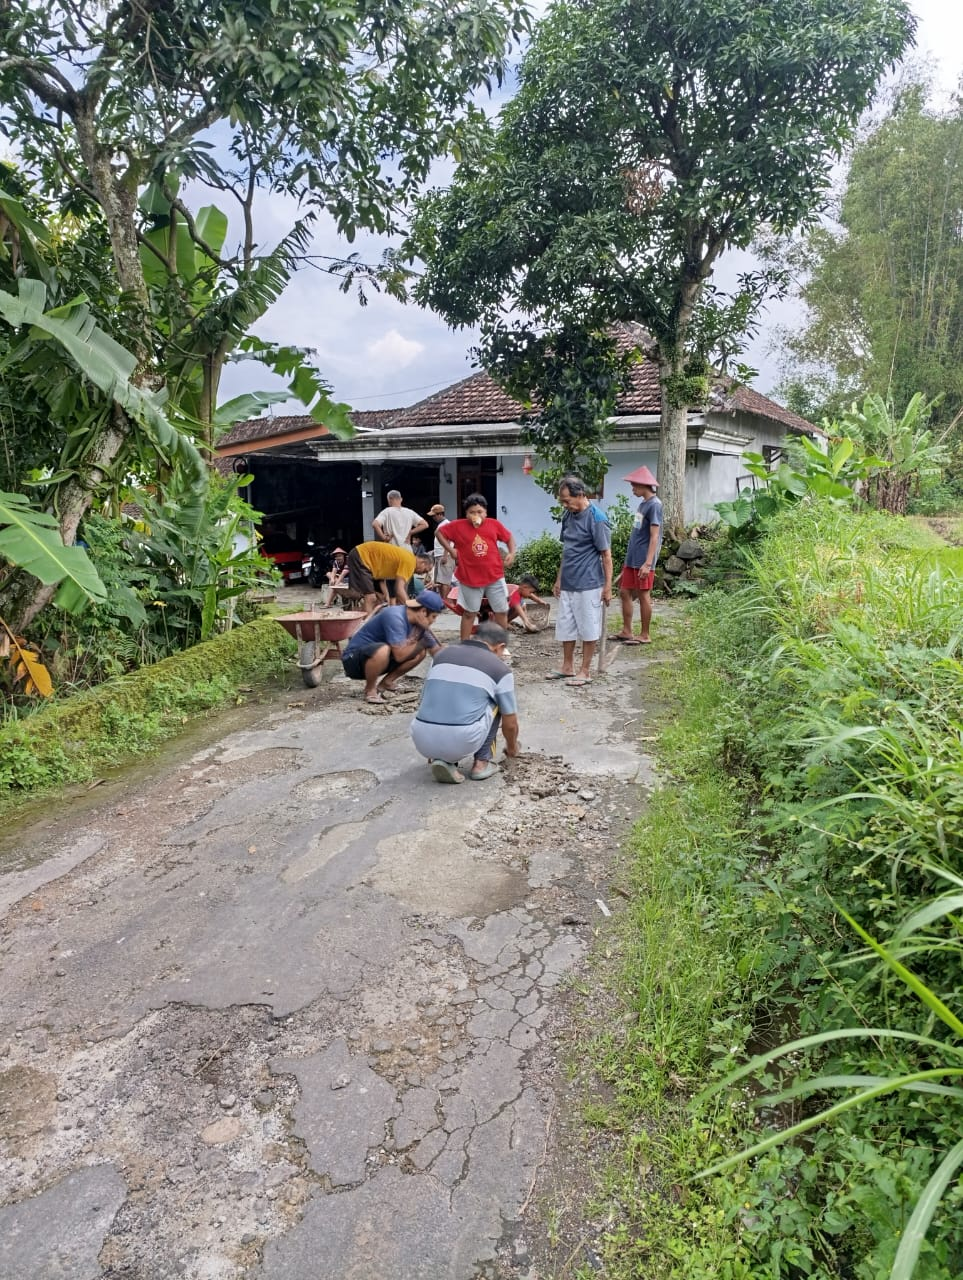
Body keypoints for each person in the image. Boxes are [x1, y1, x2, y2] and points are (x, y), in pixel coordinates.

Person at [410, 621, 520, 783]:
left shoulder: (441, 655)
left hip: (421, 738)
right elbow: (510, 723)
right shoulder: (500, 670)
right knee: (497, 702)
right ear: (500, 647)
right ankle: (481, 763)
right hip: (462, 739)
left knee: (446, 694)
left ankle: (443, 759)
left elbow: (427, 696)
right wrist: (512, 748)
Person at [547, 476, 612, 687]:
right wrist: (559, 579)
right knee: (566, 625)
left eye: (567, 500)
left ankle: (585, 670)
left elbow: (606, 555)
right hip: (568, 581)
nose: (565, 505)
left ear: (581, 495)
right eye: (563, 501)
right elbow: (567, 550)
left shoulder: (597, 519)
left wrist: (608, 586)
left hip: (590, 583)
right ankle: (567, 667)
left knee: (588, 626)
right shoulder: (569, 515)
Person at [436, 494, 516, 642]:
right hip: (469, 577)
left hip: (495, 576)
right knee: (469, 613)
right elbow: (439, 533)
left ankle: (501, 644)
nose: (476, 515)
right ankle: (465, 644)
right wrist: (451, 550)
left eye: (479, 512)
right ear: (466, 514)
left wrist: (512, 553)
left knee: (501, 611)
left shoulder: (494, 524)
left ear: (485, 512)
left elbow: (509, 537)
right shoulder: (457, 526)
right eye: (472, 512)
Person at [341, 589, 444, 704]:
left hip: (378, 661)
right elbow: (400, 656)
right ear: (424, 611)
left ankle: (386, 683)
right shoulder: (395, 616)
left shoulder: (420, 625)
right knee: (383, 650)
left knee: (420, 653)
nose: (434, 621)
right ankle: (370, 690)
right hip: (354, 661)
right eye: (433, 617)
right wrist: (421, 643)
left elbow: (436, 652)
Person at [615, 465, 662, 645]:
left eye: (635, 485)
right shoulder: (643, 504)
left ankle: (645, 634)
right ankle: (627, 630)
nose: (632, 489)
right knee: (624, 592)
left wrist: (648, 563)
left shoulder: (655, 505)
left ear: (644, 485)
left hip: (644, 559)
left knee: (643, 595)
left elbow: (654, 536)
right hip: (632, 558)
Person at [346, 541, 433, 615]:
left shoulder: (409, 561)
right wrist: (412, 609)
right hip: (361, 556)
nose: (423, 574)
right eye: (425, 570)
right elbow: (399, 590)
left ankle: (365, 619)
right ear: (423, 563)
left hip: (372, 565)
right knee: (370, 597)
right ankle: (364, 626)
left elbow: (401, 593)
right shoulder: (410, 562)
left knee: (380, 600)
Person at [478, 575, 547, 632]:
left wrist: (539, 601)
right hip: (484, 608)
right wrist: (528, 623)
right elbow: (519, 609)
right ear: (524, 587)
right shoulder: (513, 594)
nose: (531, 594)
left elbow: (530, 596)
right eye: (531, 592)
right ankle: (498, 623)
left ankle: (505, 621)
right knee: (521, 607)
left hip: (495, 606)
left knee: (521, 605)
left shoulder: (518, 588)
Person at [426, 503, 455, 601]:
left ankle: (445, 602)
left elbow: (448, 540)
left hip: (445, 556)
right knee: (440, 581)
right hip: (439, 555)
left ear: (440, 514)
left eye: (434, 515)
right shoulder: (441, 525)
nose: (433, 517)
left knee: (445, 580)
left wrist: (445, 555)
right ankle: (443, 601)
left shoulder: (446, 524)